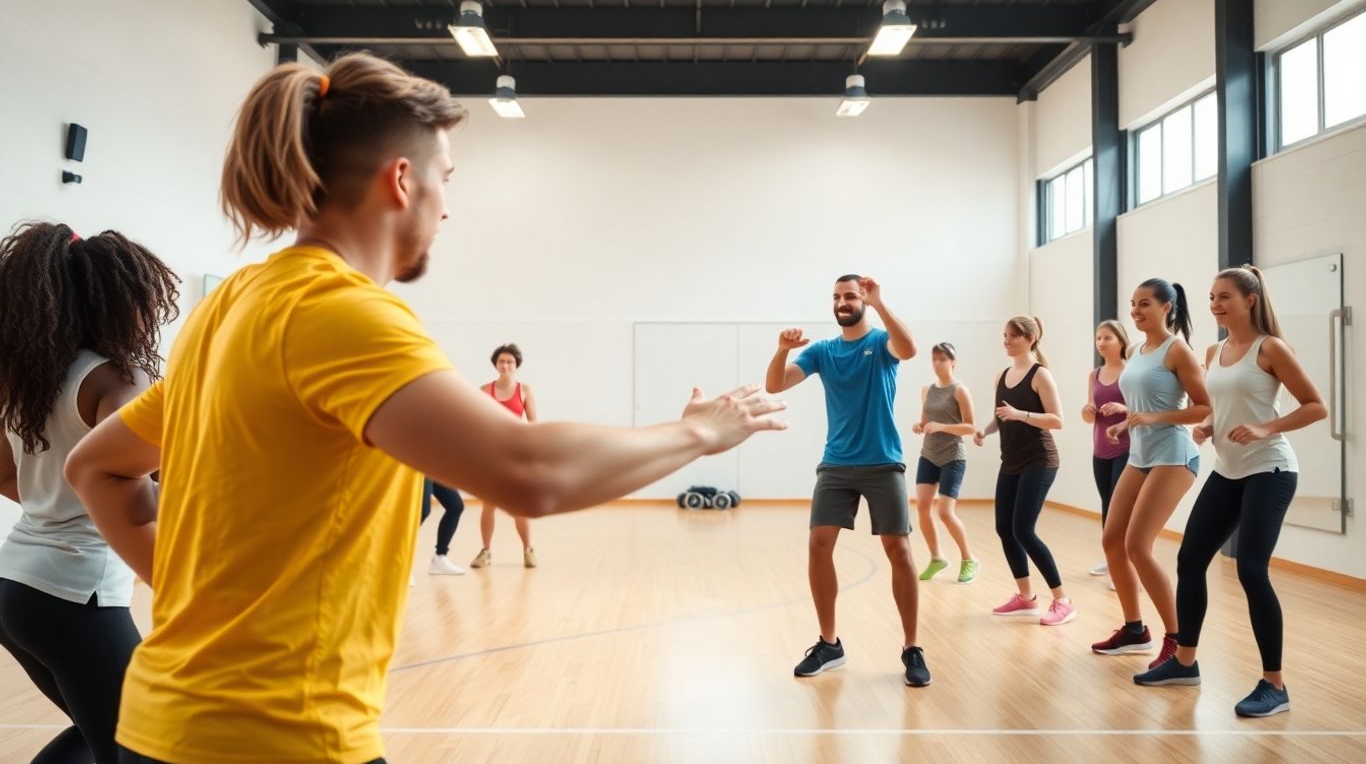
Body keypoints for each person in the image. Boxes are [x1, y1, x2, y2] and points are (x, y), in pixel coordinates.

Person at [64, 53, 784, 764]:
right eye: (446, 177)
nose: (449, 204)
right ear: (402, 181)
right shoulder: (339, 312)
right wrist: (697, 431)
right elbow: (529, 470)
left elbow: (96, 467)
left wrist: (195, 593)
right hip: (275, 738)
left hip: (163, 727)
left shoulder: (229, 305)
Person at [0, 223, 179, 763]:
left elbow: (5, 475)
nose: (150, 313)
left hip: (15, 586)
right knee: (148, 745)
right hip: (77, 595)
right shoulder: (115, 381)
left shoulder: (27, 380)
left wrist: (56, 506)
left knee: (98, 735)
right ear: (119, 301)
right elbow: (141, 494)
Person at [1134, 266, 1325, 719]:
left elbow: (1316, 405)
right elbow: (1219, 406)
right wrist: (1205, 426)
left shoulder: (1270, 348)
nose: (1216, 305)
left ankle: (1274, 685)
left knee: (1252, 571)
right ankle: (1184, 662)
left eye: (1225, 297)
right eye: (1212, 297)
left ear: (1250, 300)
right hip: (1228, 470)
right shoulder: (1214, 350)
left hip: (1271, 468)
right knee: (1189, 559)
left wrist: (1265, 427)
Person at [766, 274, 930, 687]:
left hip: (883, 461)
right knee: (819, 546)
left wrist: (880, 303)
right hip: (836, 464)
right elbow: (774, 385)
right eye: (837, 297)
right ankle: (829, 643)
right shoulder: (823, 351)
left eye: (851, 296)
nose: (842, 302)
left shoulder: (880, 342)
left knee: (900, 551)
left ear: (863, 300)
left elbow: (909, 350)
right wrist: (782, 350)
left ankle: (912, 648)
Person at [1090, 280, 1209, 670]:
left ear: (1167, 307)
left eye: (1145, 304)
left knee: (1138, 545)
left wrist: (1154, 417)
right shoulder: (1137, 350)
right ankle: (1135, 630)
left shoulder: (1178, 350)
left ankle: (1177, 639)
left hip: (1174, 455)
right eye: (1133, 304)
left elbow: (1204, 407)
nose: (1136, 311)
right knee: (1112, 541)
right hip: (1140, 453)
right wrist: (1125, 422)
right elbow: (1141, 403)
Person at [974, 316, 1075, 626]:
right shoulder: (1002, 376)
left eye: (1013, 336)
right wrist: (985, 430)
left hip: (1040, 461)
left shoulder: (1040, 375)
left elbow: (1057, 420)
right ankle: (1026, 598)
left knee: (1023, 530)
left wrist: (1021, 414)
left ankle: (1063, 601)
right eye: (1005, 335)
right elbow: (1002, 417)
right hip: (1012, 462)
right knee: (1004, 528)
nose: (1006, 341)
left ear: (1029, 339)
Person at [910, 342, 978, 584]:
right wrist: (919, 426)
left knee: (945, 512)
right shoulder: (926, 390)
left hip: (953, 456)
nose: (937, 363)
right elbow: (925, 420)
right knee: (922, 508)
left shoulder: (960, 390)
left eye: (942, 359)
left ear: (953, 362)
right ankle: (937, 558)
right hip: (928, 454)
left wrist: (941, 427)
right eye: (934, 359)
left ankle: (969, 559)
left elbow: (970, 427)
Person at [470, 344, 538, 569]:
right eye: (501, 361)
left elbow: (533, 426)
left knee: (519, 505)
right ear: (495, 365)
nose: (505, 365)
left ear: (516, 364)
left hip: (517, 455)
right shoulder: (484, 391)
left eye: (510, 361)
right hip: (493, 455)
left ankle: (528, 550)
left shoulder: (525, 390)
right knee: (489, 505)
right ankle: (486, 551)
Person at [1081, 320, 1131, 582]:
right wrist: (1087, 411)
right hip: (1099, 449)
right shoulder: (1094, 374)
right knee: (1106, 504)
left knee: (1119, 506)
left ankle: (1123, 564)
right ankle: (1112, 558)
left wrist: (1123, 410)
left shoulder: (1130, 371)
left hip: (1126, 448)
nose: (1101, 342)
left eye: (1107, 337)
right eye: (1098, 338)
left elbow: (1141, 412)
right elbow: (1089, 417)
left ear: (1121, 340)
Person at [423, 478, 467, 575]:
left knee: (455, 506)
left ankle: (440, 557)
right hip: (417, 469)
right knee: (423, 511)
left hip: (433, 467)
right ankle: (394, 560)